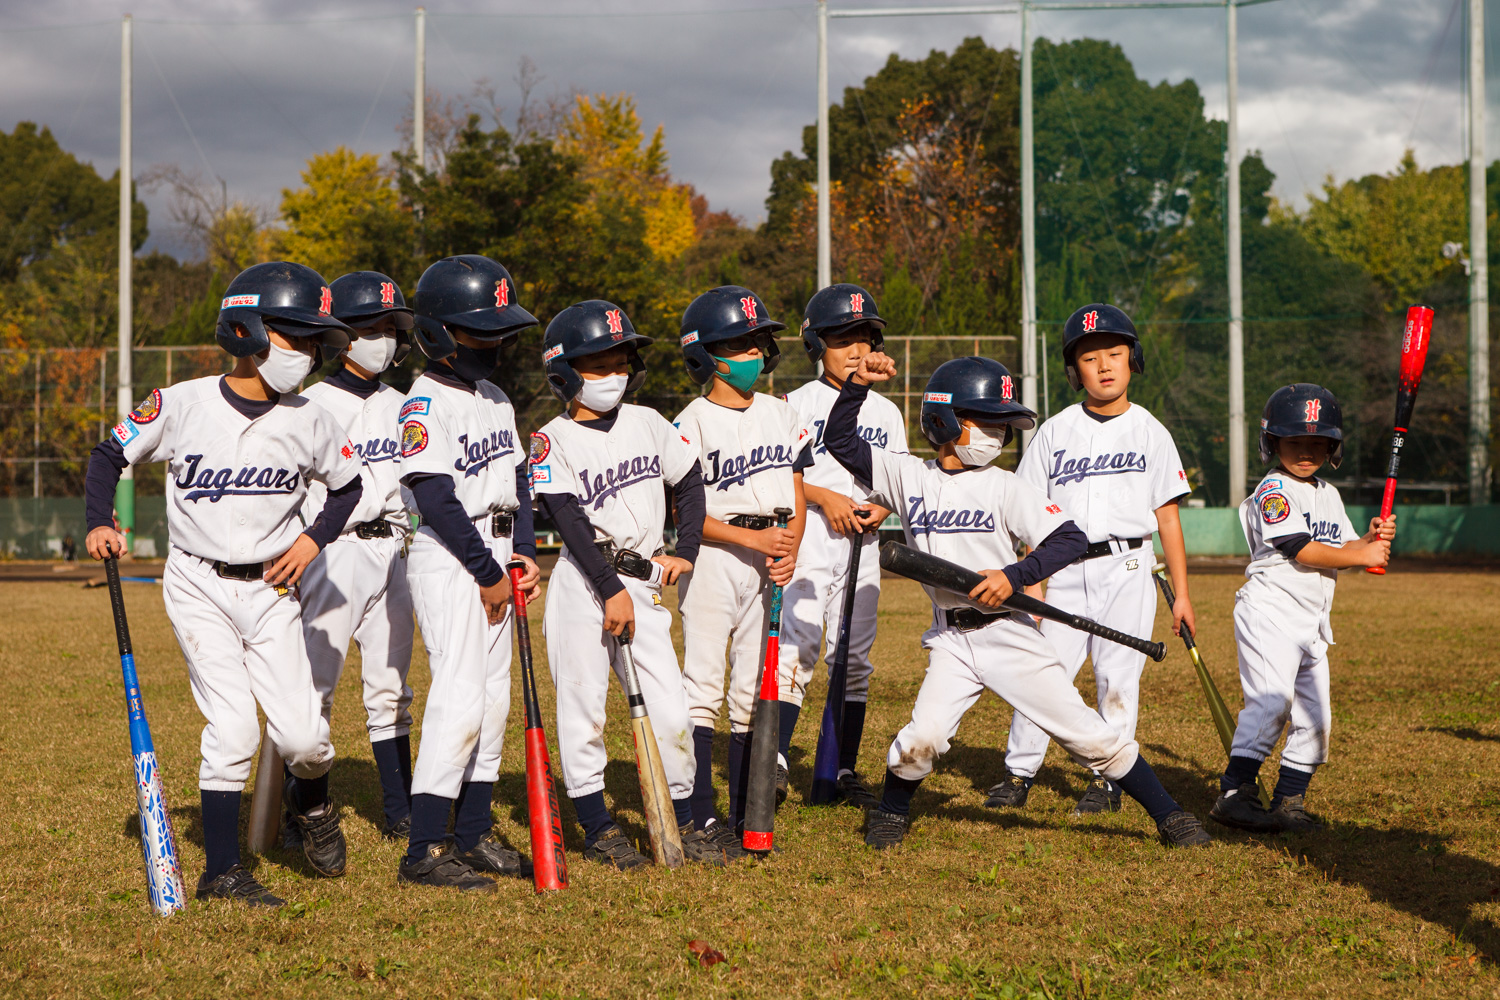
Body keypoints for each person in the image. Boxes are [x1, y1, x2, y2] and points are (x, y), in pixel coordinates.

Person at [823, 351, 1212, 850]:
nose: (998, 435)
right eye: (986, 421)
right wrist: (856, 385)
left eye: (1003, 425)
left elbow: (1068, 539)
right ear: (944, 419)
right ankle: (892, 812)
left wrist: (1013, 576)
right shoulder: (907, 476)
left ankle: (1170, 816)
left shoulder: (1008, 486)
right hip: (951, 638)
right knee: (924, 735)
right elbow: (839, 441)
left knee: (1087, 736)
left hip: (1007, 632)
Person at [84, 261, 362, 906]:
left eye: (313, 339)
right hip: (198, 583)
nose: (308, 353)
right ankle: (224, 873)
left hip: (272, 590)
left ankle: (312, 805)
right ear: (246, 330)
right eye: (294, 335)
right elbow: (109, 455)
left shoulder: (312, 418)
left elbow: (347, 488)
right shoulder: (182, 403)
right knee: (234, 729)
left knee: (303, 738)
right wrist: (100, 519)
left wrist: (311, 539)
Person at [530, 299, 724, 867]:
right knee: (582, 709)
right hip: (584, 583)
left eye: (621, 360)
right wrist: (607, 588)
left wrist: (685, 550)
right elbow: (567, 518)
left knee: (671, 711)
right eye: (598, 363)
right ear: (564, 372)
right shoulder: (550, 439)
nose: (614, 373)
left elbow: (689, 482)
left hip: (643, 580)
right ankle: (597, 827)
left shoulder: (648, 422)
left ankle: (684, 822)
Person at [989, 304, 1194, 815]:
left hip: (1127, 569)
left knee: (1118, 678)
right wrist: (1032, 583)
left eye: (1115, 354)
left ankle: (1109, 781)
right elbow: (1031, 514)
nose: (1104, 365)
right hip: (1060, 569)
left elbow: (1167, 518)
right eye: (1090, 357)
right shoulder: (1055, 432)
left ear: (1133, 360)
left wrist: (1184, 596)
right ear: (1073, 369)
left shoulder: (1152, 431)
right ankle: (1019, 772)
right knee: (1042, 671)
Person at [396, 255, 542, 892]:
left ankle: (474, 831)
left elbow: (518, 483)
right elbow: (433, 495)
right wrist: (488, 571)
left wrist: (525, 554)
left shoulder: (496, 397)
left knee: (493, 700)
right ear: (437, 334)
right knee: (457, 698)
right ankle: (425, 848)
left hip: (496, 552)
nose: (495, 345)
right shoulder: (424, 403)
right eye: (480, 333)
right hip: (453, 555)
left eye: (500, 333)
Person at [1210, 383, 1395, 834]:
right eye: (1295, 442)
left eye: (1317, 443)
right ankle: (1234, 795)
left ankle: (1289, 800)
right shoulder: (1273, 489)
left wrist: (1369, 539)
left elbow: (1343, 546)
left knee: (1316, 717)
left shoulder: (1328, 494)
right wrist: (1361, 556)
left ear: (1332, 447)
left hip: (1311, 620)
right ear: (1272, 442)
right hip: (1270, 611)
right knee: (1272, 703)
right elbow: (1300, 548)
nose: (1306, 452)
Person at [673, 285, 810, 855]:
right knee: (702, 683)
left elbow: (797, 488)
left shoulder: (784, 414)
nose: (753, 353)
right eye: (738, 344)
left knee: (755, 690)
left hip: (770, 558)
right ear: (705, 354)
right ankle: (698, 812)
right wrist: (749, 537)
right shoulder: (690, 423)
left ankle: (741, 815)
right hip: (716, 557)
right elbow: (688, 514)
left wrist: (791, 546)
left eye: (757, 342)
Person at [293, 271, 417, 846]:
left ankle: (401, 810)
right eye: (370, 327)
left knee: (391, 687)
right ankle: (302, 809)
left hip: (393, 546)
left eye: (390, 327)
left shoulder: (408, 402)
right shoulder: (310, 403)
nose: (383, 338)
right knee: (313, 688)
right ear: (339, 334)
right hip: (332, 552)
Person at [777, 283, 907, 808]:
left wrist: (885, 504)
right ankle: (776, 761)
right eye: (841, 338)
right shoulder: (792, 405)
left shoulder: (887, 412)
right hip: (809, 535)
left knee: (854, 657)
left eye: (864, 338)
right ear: (815, 345)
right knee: (798, 647)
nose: (856, 350)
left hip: (865, 543)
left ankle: (841, 769)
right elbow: (776, 476)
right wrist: (821, 495)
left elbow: (897, 478)